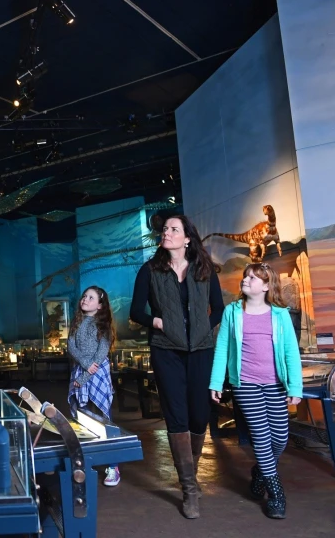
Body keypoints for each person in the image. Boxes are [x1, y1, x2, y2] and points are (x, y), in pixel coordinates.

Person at [129, 215, 224, 519]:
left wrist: (204, 330)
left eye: (173, 229)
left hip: (201, 351)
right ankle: (189, 489)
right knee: (176, 414)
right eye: (165, 229)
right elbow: (135, 311)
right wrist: (156, 321)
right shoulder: (150, 270)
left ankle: (191, 476)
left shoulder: (204, 270)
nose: (166, 233)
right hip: (165, 351)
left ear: (187, 238)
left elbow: (218, 307)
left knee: (199, 415)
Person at [209, 262, 302, 519]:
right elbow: (222, 349)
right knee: (261, 438)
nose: (246, 280)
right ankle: (276, 494)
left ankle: (260, 473)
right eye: (246, 276)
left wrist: (295, 386)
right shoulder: (232, 312)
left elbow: (290, 352)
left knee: (280, 439)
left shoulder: (280, 314)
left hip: (274, 384)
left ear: (266, 286)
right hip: (246, 385)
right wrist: (216, 382)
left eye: (253, 277)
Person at [67, 286, 119, 486]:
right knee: (82, 418)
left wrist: (86, 376)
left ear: (99, 305)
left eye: (91, 297)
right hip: (82, 368)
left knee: (104, 419)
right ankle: (85, 463)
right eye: (84, 296)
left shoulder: (103, 325)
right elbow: (71, 345)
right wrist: (83, 364)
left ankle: (112, 467)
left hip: (97, 373)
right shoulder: (77, 322)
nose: (85, 299)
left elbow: (100, 355)